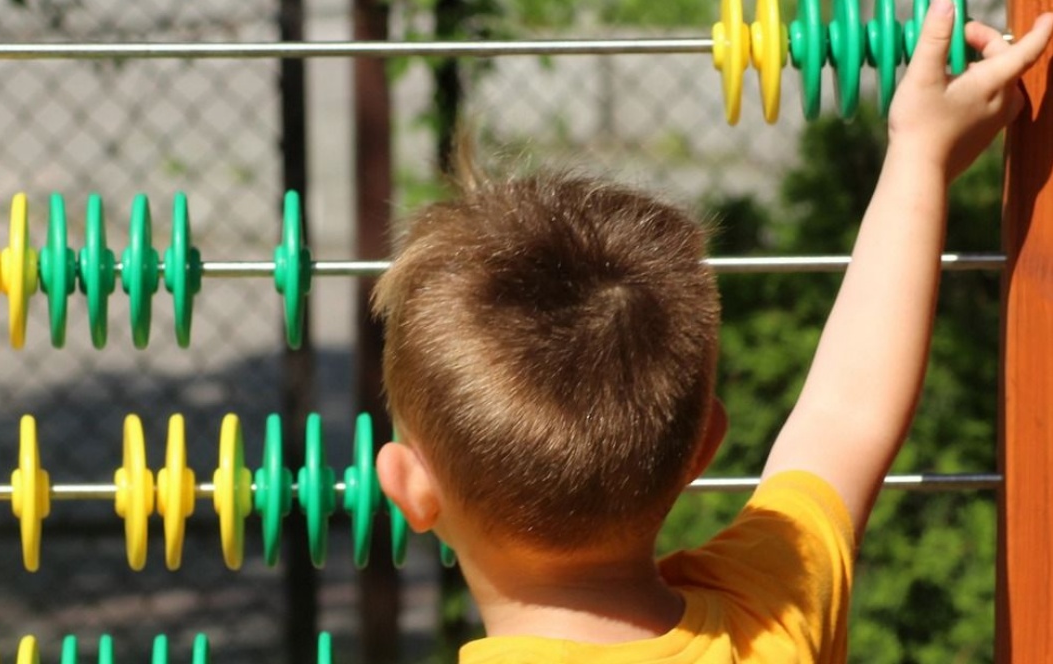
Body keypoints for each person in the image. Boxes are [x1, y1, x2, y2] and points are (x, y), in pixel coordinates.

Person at [372, 1, 1053, 660]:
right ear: (704, 447)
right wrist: (920, 154)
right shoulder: (771, 620)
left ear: (409, 487)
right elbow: (848, 415)